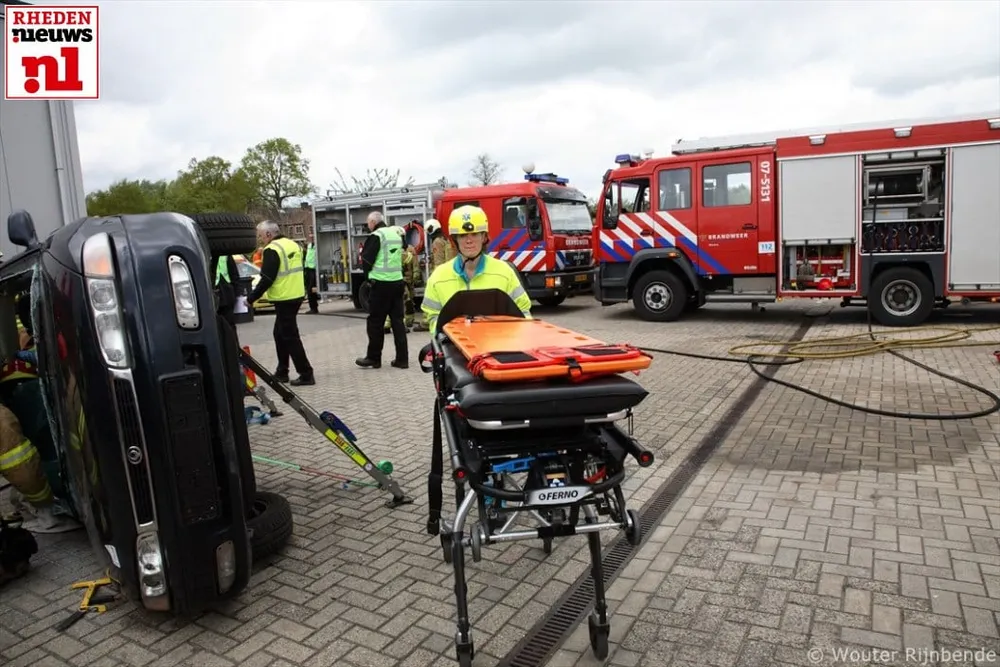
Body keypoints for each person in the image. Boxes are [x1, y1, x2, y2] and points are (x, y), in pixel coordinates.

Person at [421, 205, 532, 335]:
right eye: (463, 235)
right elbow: (433, 318)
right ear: (455, 239)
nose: (469, 240)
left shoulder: (504, 273)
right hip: (454, 345)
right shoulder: (438, 277)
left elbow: (524, 313)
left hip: (498, 344)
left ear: (484, 237)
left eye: (474, 234)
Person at [248, 221, 315, 386]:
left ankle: (306, 373)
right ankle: (282, 371)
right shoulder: (294, 245)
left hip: (284, 297)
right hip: (296, 295)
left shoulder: (272, 249)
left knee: (290, 336)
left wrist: (251, 298)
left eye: (261, 235)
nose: (260, 239)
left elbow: (267, 278)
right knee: (279, 333)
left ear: (269, 234)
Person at [356, 212, 408, 369]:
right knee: (398, 322)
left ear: (373, 222)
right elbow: (404, 252)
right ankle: (402, 359)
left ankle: (373, 358)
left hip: (380, 284)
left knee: (375, 322)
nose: (368, 226)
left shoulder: (377, 235)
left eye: (368, 223)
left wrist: (368, 279)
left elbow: (366, 259)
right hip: (397, 282)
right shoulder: (396, 234)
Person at [384, 244, 424, 333]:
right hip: (404, 281)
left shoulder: (391, 249)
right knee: (404, 302)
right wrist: (416, 277)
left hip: (395, 280)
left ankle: (389, 323)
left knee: (397, 302)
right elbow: (415, 266)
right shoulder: (409, 251)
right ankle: (402, 324)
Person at [214, 254, 241, 330]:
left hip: (227, 292)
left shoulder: (226, 255)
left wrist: (237, 293)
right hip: (213, 292)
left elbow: (234, 274)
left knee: (229, 324)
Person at [303, 228, 320, 314]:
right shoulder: (309, 245)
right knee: (309, 290)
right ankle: (313, 307)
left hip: (314, 270)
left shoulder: (318, 245)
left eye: (312, 235)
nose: (311, 237)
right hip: (308, 269)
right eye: (310, 235)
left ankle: (314, 308)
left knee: (311, 290)